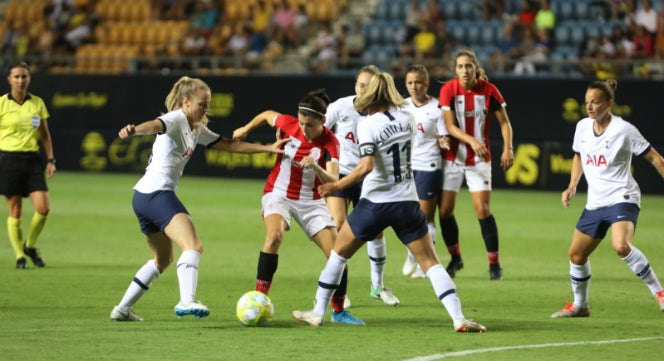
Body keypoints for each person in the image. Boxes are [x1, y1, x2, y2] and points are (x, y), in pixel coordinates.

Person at [292, 71, 487, 333]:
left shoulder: (368, 125)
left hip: (375, 202)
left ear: (372, 94)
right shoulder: (408, 116)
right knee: (431, 262)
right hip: (407, 202)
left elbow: (366, 166)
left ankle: (317, 312)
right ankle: (458, 317)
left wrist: (337, 184)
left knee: (338, 254)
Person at [109, 76, 288, 322]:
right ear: (186, 102)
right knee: (193, 246)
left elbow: (229, 146)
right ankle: (186, 300)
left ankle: (122, 309)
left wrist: (268, 148)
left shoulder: (196, 128)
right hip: (157, 194)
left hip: (142, 197)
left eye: (208, 104)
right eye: (202, 104)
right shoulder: (176, 119)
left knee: (163, 260)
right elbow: (155, 125)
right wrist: (134, 131)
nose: (206, 109)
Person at [232, 89, 365, 325]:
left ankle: (338, 310)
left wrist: (316, 167)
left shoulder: (331, 143)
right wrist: (245, 129)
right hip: (278, 193)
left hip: (311, 201)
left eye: (310, 125)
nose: (304, 129)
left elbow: (334, 181)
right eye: (301, 123)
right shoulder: (289, 124)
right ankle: (260, 298)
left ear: (323, 121)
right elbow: (266, 114)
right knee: (274, 236)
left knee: (338, 253)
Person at [551, 79, 664, 317]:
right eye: (587, 102)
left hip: (623, 196)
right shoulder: (582, 127)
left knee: (621, 246)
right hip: (596, 202)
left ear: (609, 103)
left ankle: (660, 293)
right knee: (576, 255)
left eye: (595, 102)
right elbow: (578, 155)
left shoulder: (623, 130)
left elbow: (655, 158)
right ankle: (580, 305)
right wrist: (572, 184)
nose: (590, 107)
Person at [324, 64, 400, 306]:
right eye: (360, 84)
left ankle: (377, 287)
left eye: (369, 86)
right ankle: (339, 291)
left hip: (369, 178)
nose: (363, 89)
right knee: (338, 227)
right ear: (355, 85)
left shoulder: (379, 114)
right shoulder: (340, 107)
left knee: (376, 230)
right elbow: (319, 133)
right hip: (342, 175)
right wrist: (330, 162)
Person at [438, 48, 514, 280]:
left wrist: (508, 148)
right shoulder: (448, 89)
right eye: (460, 66)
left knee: (482, 210)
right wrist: (471, 140)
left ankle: (494, 264)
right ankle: (455, 257)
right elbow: (450, 127)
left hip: (479, 160)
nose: (464, 70)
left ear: (475, 68)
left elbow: (505, 124)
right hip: (453, 158)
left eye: (468, 66)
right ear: (455, 69)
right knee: (445, 211)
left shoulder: (489, 91)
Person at [0, 61, 55, 269]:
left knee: (43, 208)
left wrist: (50, 159)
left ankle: (30, 245)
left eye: (24, 76)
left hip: (32, 160)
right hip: (8, 159)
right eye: (16, 77)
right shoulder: (2, 104)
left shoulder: (37, 103)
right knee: (15, 210)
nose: (20, 80)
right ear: (9, 79)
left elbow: (44, 135)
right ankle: (19, 256)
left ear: (29, 78)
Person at [401, 64, 448, 280]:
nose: (413, 86)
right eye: (410, 82)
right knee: (406, 214)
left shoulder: (437, 108)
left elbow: (443, 135)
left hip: (428, 165)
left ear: (426, 83)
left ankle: (424, 263)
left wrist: (444, 141)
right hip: (405, 166)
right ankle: (412, 253)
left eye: (418, 82)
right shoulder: (401, 107)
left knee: (425, 217)